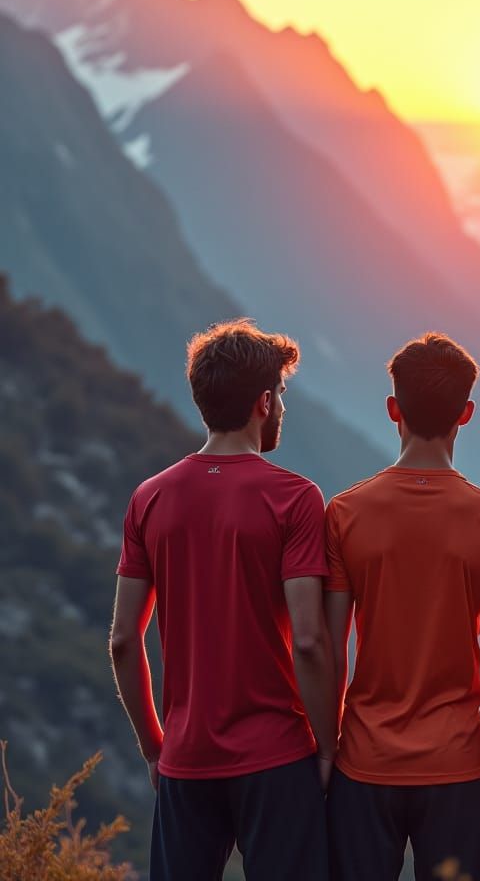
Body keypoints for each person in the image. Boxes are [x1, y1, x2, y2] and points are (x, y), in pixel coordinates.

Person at [109, 320, 336, 881]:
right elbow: (308, 640)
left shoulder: (150, 498)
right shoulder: (296, 498)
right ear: (263, 402)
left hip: (186, 759)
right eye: (281, 394)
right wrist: (328, 748)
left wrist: (153, 747)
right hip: (279, 759)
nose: (283, 406)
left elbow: (122, 640)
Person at [323, 333, 480, 881]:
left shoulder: (345, 513)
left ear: (393, 409)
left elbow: (329, 649)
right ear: (467, 413)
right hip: (455, 770)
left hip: (362, 767)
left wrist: (325, 749)